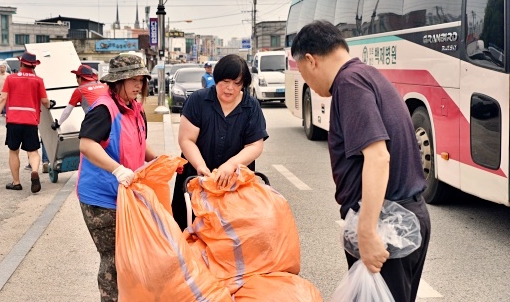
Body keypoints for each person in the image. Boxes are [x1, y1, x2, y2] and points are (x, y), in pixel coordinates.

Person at [291, 20, 430, 302]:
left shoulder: (349, 84)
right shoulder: (368, 75)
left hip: (386, 225)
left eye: (304, 75)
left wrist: (366, 232)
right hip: (401, 218)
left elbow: (378, 156)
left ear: (311, 60)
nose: (310, 85)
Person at [77, 54, 158, 302]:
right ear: (117, 81)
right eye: (132, 79)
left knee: (131, 256)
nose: (137, 85)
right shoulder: (103, 109)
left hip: (126, 193)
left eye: (140, 80)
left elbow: (140, 143)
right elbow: (87, 144)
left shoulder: (135, 107)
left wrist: (159, 161)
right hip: (101, 198)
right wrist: (117, 169)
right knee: (112, 257)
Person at [172, 54, 268, 230]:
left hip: (234, 184)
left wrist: (231, 165)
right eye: (225, 81)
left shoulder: (251, 107)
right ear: (216, 79)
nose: (230, 88)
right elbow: (186, 139)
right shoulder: (198, 101)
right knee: (191, 233)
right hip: (196, 181)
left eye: (237, 83)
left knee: (233, 237)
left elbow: (255, 145)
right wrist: (200, 166)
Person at [0, 52, 54, 194]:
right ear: (33, 66)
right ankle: (34, 172)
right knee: (33, 151)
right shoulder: (38, 80)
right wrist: (50, 104)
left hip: (14, 121)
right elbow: (45, 102)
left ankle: (16, 183)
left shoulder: (11, 78)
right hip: (31, 121)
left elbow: (3, 98)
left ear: (21, 63)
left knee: (13, 151)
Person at [50, 64, 108, 130]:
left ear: (80, 78)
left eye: (76, 78)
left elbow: (68, 110)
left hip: (95, 122)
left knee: (84, 137)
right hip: (110, 119)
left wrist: (58, 124)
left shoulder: (80, 90)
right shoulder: (104, 86)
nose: (76, 81)